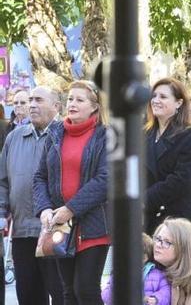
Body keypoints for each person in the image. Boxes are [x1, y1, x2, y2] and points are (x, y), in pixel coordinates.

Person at [33, 80, 110, 304]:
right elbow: (40, 176)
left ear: (95, 106)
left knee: (85, 290)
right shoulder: (56, 133)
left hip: (94, 224)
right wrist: (45, 208)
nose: (72, 103)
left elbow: (106, 180)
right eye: (70, 99)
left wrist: (70, 208)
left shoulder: (106, 135)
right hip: (59, 225)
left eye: (79, 99)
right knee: (68, 291)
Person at [0, 86, 64, 304]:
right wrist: (1, 212)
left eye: (39, 100)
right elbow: (2, 181)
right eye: (30, 100)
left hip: (56, 231)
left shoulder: (64, 135)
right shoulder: (14, 138)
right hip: (22, 231)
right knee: (28, 295)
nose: (32, 104)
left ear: (56, 106)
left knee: (61, 293)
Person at [145, 78, 191, 234]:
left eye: (163, 97)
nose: (156, 101)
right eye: (154, 96)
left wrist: (144, 199)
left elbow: (182, 180)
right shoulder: (143, 133)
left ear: (179, 103)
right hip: (148, 219)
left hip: (179, 219)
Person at [102, 233, 173, 305]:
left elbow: (166, 292)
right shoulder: (119, 273)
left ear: (145, 258)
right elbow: (106, 298)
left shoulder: (157, 274)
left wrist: (156, 299)